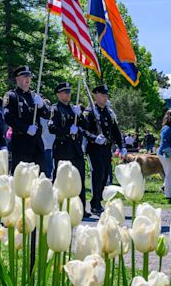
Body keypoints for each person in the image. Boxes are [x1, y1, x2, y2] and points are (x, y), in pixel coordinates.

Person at [49, 82, 90, 217]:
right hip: (62, 147)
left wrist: (81, 115)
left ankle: (80, 209)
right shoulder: (55, 109)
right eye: (65, 92)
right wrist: (67, 130)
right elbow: (52, 127)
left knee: (79, 179)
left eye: (69, 92)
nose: (68, 94)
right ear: (58, 94)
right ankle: (57, 205)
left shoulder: (74, 109)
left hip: (76, 149)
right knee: (60, 178)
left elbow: (87, 125)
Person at [83, 84, 126, 215]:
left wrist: (121, 145)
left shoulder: (109, 112)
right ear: (96, 96)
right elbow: (84, 130)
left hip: (106, 148)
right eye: (103, 95)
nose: (105, 97)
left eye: (106, 95)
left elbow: (115, 131)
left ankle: (99, 200)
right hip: (94, 148)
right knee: (98, 174)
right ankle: (95, 203)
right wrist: (94, 138)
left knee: (105, 176)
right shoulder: (89, 112)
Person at [3, 66, 51, 174]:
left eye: (29, 76)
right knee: (21, 177)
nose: (27, 79)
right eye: (24, 76)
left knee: (39, 176)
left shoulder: (36, 96)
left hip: (37, 143)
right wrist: (25, 128)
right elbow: (8, 117)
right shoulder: (12, 96)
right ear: (17, 79)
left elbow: (48, 115)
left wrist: (42, 105)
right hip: (20, 142)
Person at [40, 100, 55, 179]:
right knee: (50, 166)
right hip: (50, 144)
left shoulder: (42, 119)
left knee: (47, 167)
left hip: (46, 144)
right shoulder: (52, 117)